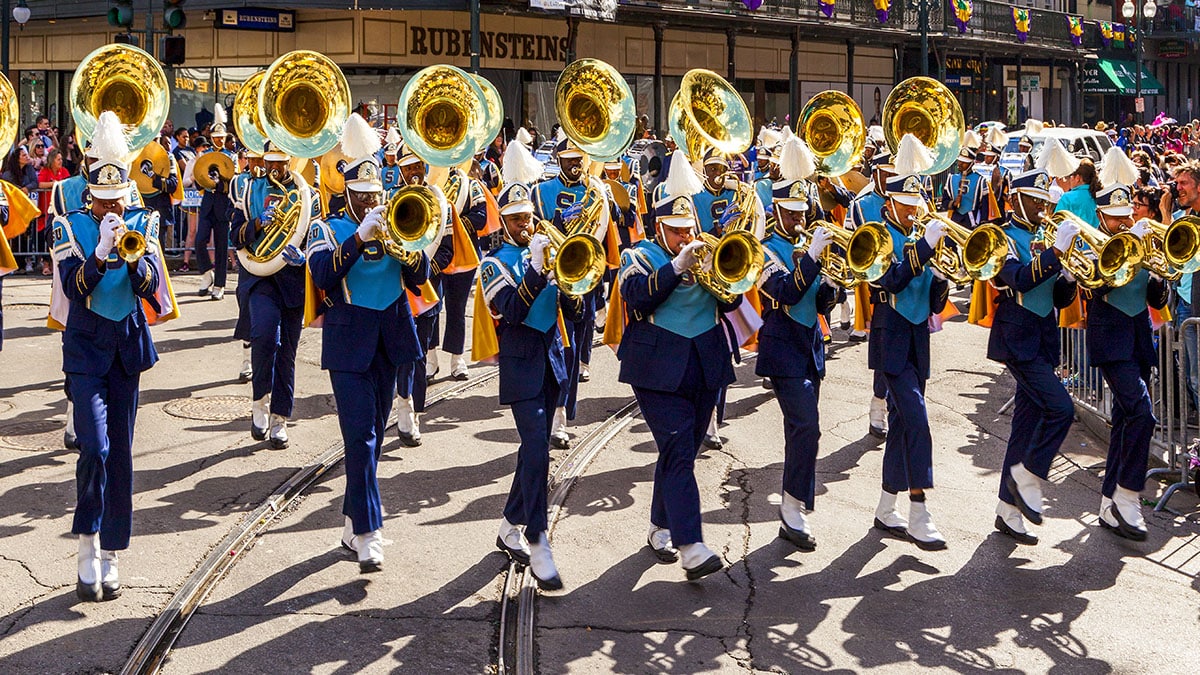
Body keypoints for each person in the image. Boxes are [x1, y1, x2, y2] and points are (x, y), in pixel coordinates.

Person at [50, 111, 169, 601]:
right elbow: (74, 289)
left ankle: (112, 551)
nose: (111, 209)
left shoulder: (144, 221)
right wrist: (99, 253)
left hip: (126, 349)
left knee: (120, 454)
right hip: (84, 350)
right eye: (102, 202)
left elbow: (152, 290)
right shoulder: (70, 226)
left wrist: (137, 260)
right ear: (90, 197)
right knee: (94, 449)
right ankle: (85, 543)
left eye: (116, 199)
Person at [307, 114, 430, 573]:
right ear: (350, 197)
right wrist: (359, 238)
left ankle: (351, 520)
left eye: (377, 195)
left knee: (373, 440)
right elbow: (321, 276)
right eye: (364, 197)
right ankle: (369, 532)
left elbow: (420, 280)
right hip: (348, 340)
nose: (373, 202)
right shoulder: (329, 229)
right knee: (359, 438)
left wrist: (410, 244)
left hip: (392, 338)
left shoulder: (399, 222)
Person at [618, 165, 742, 581]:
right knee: (677, 449)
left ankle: (660, 526)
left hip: (705, 361)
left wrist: (725, 272)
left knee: (681, 451)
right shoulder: (637, 255)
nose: (684, 237)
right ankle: (691, 545)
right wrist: (675, 266)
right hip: (655, 367)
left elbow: (731, 304)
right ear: (658, 227)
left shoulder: (706, 253)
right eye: (675, 230)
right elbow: (636, 300)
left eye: (688, 228)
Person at [481, 181, 583, 591]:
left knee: (532, 450)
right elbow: (511, 310)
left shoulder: (546, 253)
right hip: (521, 363)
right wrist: (539, 272)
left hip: (554, 359)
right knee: (538, 446)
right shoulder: (495, 262)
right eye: (516, 218)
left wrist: (571, 277)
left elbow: (574, 312)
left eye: (527, 216)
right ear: (503, 222)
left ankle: (509, 525)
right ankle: (538, 538)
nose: (524, 224)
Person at [986, 169, 1079, 545]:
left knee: (1024, 425)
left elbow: (1053, 297)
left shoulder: (1042, 236)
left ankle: (1007, 512)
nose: (1043, 206)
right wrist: (1055, 253)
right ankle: (1028, 477)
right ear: (1015, 199)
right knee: (1061, 409)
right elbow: (1020, 279)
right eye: (1035, 199)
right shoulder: (1001, 236)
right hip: (1017, 338)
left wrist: (1069, 278)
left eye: (1045, 199)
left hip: (1041, 339)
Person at [868, 135, 950, 551]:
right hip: (891, 338)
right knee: (917, 421)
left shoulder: (920, 234)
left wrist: (941, 280)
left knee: (902, 426)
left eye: (917, 202)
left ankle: (886, 507)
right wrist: (923, 251)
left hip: (918, 338)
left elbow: (932, 300)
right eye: (907, 202)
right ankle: (919, 513)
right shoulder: (876, 234)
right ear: (891, 200)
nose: (915, 209)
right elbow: (889, 280)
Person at [756, 161, 838, 551]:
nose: (798, 219)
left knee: (800, 432)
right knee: (808, 426)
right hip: (781, 348)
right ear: (776, 211)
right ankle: (795, 509)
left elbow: (820, 302)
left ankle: (791, 508)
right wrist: (812, 261)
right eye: (790, 213)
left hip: (811, 347)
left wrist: (834, 283)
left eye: (802, 213)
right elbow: (785, 292)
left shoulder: (810, 249)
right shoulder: (764, 249)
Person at [1085, 179, 1169, 542]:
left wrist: (1159, 272)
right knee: (1141, 414)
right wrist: (1126, 251)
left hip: (1137, 339)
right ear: (1101, 214)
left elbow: (1156, 295)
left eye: (1125, 215)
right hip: (1110, 340)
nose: (1121, 221)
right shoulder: (1091, 244)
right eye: (1115, 216)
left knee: (1124, 421)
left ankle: (1107, 501)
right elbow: (1097, 286)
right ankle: (1129, 494)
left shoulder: (1139, 241)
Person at [230, 141, 318, 449]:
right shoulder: (248, 189)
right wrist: (256, 223)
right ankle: (260, 401)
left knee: (288, 352)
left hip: (292, 279)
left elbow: (317, 237)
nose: (276, 169)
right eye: (271, 162)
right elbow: (234, 235)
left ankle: (280, 417)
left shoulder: (308, 193)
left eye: (281, 163)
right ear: (264, 161)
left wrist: (304, 256)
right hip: (259, 277)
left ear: (289, 162)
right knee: (265, 335)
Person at [531, 137, 608, 449]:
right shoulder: (541, 190)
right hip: (550, 276)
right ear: (558, 160)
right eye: (568, 159)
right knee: (553, 346)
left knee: (573, 348)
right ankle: (548, 408)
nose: (575, 165)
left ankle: (562, 412)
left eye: (579, 158)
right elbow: (533, 231)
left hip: (583, 275)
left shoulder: (595, 191)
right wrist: (560, 221)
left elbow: (606, 228)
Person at [392, 143, 454, 447]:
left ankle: (413, 412)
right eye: (407, 168)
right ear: (400, 171)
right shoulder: (391, 199)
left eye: (417, 166)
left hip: (426, 290)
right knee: (399, 354)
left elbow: (447, 250)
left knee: (417, 354)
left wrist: (423, 270)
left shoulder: (441, 202)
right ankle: (401, 405)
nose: (413, 172)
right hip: (395, 290)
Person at [195, 153, 234, 301]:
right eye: (216, 137)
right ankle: (206, 274)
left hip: (222, 209)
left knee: (221, 248)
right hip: (207, 208)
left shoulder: (230, 157)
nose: (219, 140)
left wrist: (218, 182)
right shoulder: (206, 156)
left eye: (221, 137)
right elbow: (199, 182)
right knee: (199, 241)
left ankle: (219, 285)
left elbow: (231, 183)